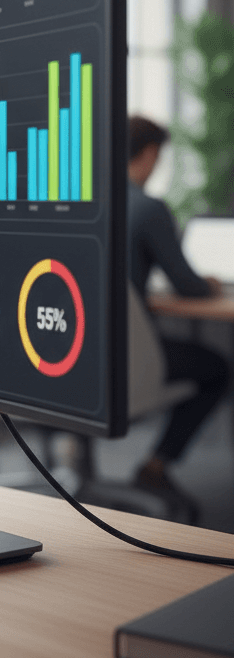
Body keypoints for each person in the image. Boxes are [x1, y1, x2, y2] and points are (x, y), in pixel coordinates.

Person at [127, 114, 229, 515]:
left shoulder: (84, 199)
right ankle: (156, 465)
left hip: (77, 350)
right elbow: (188, 286)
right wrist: (212, 284)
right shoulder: (148, 208)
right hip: (130, 357)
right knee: (217, 367)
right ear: (151, 154)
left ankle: (77, 456)